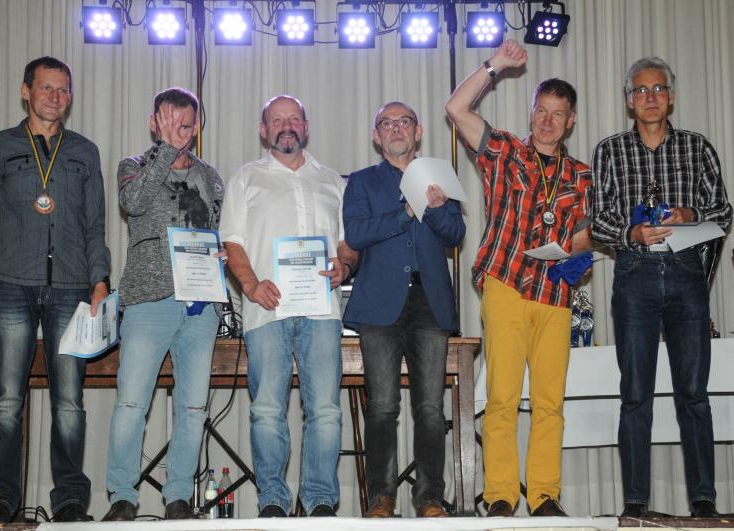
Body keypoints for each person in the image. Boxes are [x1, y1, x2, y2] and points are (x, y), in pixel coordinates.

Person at [445, 40, 592, 517]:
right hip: (506, 282)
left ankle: (545, 494)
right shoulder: (505, 151)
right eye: (541, 110)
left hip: (554, 291)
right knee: (503, 397)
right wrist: (495, 65)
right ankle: (501, 496)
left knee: (550, 401)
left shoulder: (581, 175)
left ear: (571, 120)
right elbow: (456, 108)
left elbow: (583, 236)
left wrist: (579, 256)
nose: (548, 121)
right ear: (532, 112)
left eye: (558, 114)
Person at [0, 56, 110, 523]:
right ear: (25, 91)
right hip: (9, 285)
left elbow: (94, 227)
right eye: (46, 88)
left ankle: (69, 502)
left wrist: (100, 280)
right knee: (6, 400)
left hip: (70, 288)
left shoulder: (85, 152)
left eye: (63, 89)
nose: (55, 97)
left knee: (69, 402)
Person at [591, 57, 733, 519]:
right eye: (640, 90)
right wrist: (632, 233)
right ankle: (636, 502)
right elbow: (599, 220)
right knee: (635, 395)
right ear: (628, 100)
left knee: (694, 393)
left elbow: (723, 212)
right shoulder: (610, 150)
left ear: (671, 96)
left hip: (687, 272)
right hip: (635, 274)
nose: (650, 97)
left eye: (658, 89)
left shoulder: (697, 146)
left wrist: (690, 214)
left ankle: (703, 501)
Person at [219, 95, 357, 518]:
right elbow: (232, 241)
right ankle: (273, 501)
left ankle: (320, 500)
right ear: (264, 130)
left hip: (322, 312)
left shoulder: (333, 181)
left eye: (294, 118)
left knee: (326, 411)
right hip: (266, 310)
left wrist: (345, 266)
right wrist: (250, 284)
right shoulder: (246, 178)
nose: (286, 126)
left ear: (306, 126)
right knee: (266, 410)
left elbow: (347, 243)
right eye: (277, 120)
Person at [102, 88, 225, 521]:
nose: (179, 130)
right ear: (154, 123)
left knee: (193, 406)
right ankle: (122, 495)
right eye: (170, 122)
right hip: (147, 299)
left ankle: (178, 496)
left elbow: (215, 229)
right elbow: (133, 203)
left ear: (197, 126)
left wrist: (219, 254)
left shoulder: (211, 176)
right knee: (132, 402)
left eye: (186, 124)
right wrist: (167, 151)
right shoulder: (133, 166)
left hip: (201, 303)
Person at [342, 102, 465, 518]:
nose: (396, 129)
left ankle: (430, 497)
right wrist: (404, 213)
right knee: (381, 406)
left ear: (419, 131)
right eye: (387, 123)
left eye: (404, 122)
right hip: (379, 304)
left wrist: (435, 208)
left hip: (430, 302)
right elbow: (356, 234)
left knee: (430, 407)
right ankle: (381, 497)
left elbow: (456, 233)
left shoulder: (439, 177)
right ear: (376, 136)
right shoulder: (361, 182)